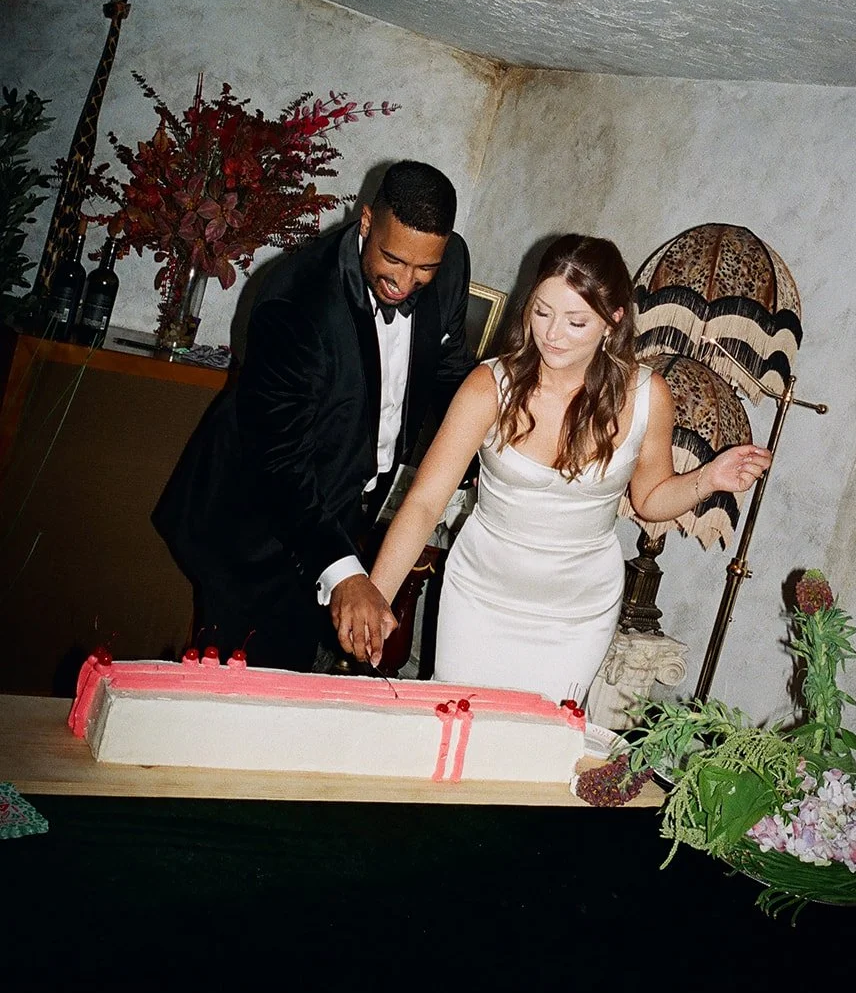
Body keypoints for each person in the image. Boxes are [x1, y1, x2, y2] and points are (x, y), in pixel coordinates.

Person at [346, 234, 772, 703]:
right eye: (542, 312)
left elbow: (650, 500)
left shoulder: (648, 395)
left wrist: (707, 479)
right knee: (458, 726)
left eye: (575, 321)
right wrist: (376, 594)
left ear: (612, 322)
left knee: (539, 747)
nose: (551, 334)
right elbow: (426, 502)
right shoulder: (489, 386)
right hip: (481, 599)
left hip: (578, 613)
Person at [153, 160, 476, 671]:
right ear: (366, 221)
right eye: (394, 259)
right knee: (238, 683)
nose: (406, 281)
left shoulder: (452, 264)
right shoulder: (295, 301)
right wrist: (344, 573)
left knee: (296, 678)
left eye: (425, 269)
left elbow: (450, 369)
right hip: (255, 525)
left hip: (341, 508)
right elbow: (279, 462)